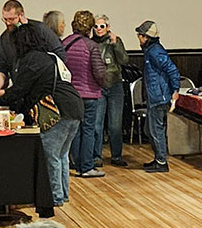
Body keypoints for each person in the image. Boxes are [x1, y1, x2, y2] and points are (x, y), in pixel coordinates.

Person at [0, 20, 82, 206]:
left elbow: (20, 90)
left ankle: (54, 197)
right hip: (74, 108)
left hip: (57, 111)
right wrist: (6, 94)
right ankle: (62, 194)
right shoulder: (50, 56)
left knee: (51, 156)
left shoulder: (31, 60)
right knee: (62, 155)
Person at [65, 10, 107, 179]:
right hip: (89, 94)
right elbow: (99, 72)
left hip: (70, 94)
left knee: (75, 130)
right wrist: (104, 83)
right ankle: (87, 166)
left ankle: (75, 163)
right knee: (88, 130)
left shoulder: (64, 43)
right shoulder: (91, 46)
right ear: (89, 27)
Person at [134, 20, 180, 173]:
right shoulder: (152, 50)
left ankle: (161, 162)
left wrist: (175, 90)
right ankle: (158, 158)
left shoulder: (155, 51)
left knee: (155, 130)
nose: (139, 38)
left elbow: (172, 70)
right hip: (155, 96)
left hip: (159, 97)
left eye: (140, 35)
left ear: (146, 37)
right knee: (150, 129)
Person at [95, 13, 131, 166]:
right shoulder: (91, 43)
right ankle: (96, 156)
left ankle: (116, 155)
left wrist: (116, 44)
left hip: (115, 85)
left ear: (108, 27)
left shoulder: (115, 41)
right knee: (97, 123)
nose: (98, 29)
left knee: (115, 124)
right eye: (95, 26)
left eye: (101, 26)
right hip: (98, 86)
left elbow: (124, 60)